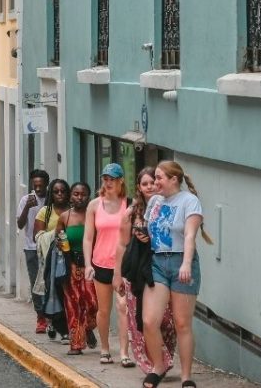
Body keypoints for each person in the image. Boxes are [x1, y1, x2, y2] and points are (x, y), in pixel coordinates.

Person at [141, 161, 212, 388]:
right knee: (150, 320)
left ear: (173, 179)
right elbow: (151, 230)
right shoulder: (154, 201)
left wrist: (186, 264)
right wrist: (143, 236)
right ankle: (158, 366)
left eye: (160, 177)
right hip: (157, 263)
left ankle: (186, 376)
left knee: (182, 323)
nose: (155, 182)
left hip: (182, 261)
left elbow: (190, 236)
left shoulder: (189, 201)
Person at [122, 168, 176, 374]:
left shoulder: (168, 207)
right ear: (139, 187)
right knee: (141, 321)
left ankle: (164, 356)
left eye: (153, 182)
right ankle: (153, 364)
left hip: (162, 271)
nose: (150, 187)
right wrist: (118, 276)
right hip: (137, 274)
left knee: (167, 321)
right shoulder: (131, 212)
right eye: (145, 184)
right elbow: (122, 245)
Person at [84, 163, 133, 366]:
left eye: (112, 178)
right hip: (101, 263)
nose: (108, 182)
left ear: (121, 180)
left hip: (123, 266)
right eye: (105, 178)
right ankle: (105, 349)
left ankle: (124, 353)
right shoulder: (94, 205)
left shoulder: (130, 204)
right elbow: (88, 238)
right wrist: (88, 264)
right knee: (103, 310)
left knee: (123, 307)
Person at [55, 182, 98, 356]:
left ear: (89, 196)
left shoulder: (94, 215)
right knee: (73, 305)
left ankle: (88, 328)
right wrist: (59, 243)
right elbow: (58, 239)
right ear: (71, 196)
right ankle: (76, 343)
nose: (79, 197)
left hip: (91, 266)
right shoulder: (64, 217)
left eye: (83, 194)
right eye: (76, 194)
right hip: (71, 266)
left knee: (92, 303)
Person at [35, 179, 72, 341]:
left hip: (69, 258)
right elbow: (37, 236)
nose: (60, 194)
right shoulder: (45, 212)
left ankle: (67, 327)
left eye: (63, 191)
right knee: (53, 290)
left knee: (67, 293)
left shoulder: (73, 211)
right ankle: (53, 322)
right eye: (56, 191)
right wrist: (54, 236)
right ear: (51, 193)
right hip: (51, 258)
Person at [17, 169, 49, 333]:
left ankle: (51, 315)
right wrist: (27, 208)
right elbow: (20, 225)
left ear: (46, 185)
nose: (37, 189)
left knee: (50, 282)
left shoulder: (51, 200)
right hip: (31, 248)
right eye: (35, 185)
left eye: (40, 185)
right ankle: (40, 317)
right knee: (36, 284)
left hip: (49, 247)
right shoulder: (26, 200)